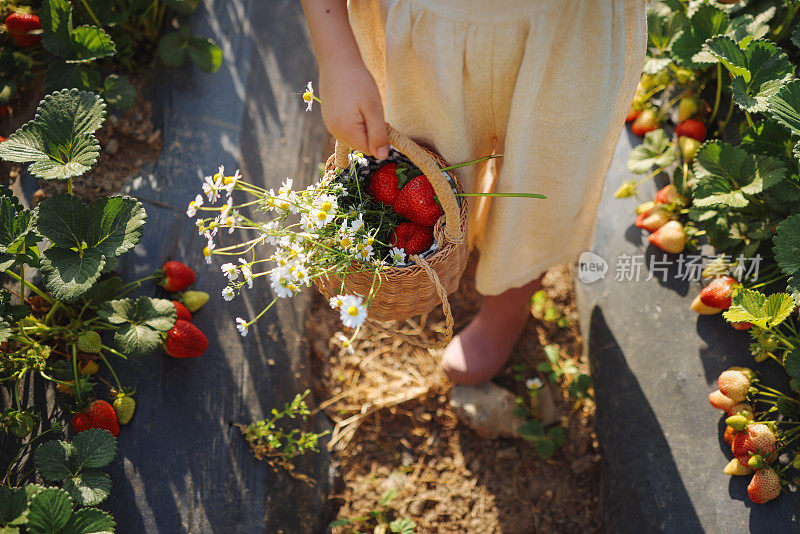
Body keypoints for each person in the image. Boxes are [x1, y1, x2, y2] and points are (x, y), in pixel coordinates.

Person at [300, 0, 647, 384]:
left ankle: (507, 310)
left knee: (542, 189)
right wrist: (335, 52)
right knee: (426, 162)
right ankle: (445, 250)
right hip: (425, 34)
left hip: (574, 32)